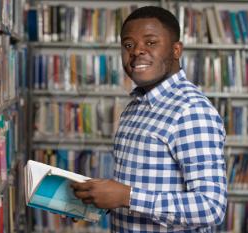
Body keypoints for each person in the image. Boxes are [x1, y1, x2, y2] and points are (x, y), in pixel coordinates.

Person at [71, 6, 227, 233]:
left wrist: (126, 196)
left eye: (150, 42)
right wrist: (97, 199)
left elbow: (211, 207)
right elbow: (138, 188)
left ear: (176, 50)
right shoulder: (134, 106)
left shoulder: (191, 111)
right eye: (128, 45)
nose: (136, 52)